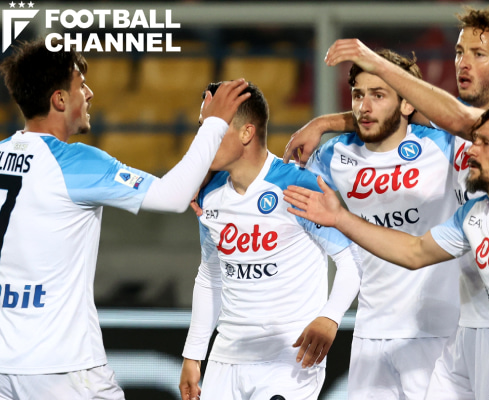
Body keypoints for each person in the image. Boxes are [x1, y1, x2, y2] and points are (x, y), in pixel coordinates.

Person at [284, 7, 489, 399]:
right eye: (459, 52)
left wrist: (374, 61)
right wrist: (325, 123)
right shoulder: (451, 131)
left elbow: (459, 118)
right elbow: (395, 113)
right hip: (468, 324)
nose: (463, 63)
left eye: (478, 54)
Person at [284, 102, 489, 400]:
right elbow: (414, 251)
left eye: (486, 143)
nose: (471, 150)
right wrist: (340, 218)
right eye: (474, 140)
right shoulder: (473, 215)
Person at [0, 39, 250, 400]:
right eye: (80, 85)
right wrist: (213, 124)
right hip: (61, 367)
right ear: (60, 100)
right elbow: (172, 196)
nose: (89, 93)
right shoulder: (76, 163)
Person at [178, 82, 361, 400]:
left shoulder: (297, 186)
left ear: (246, 133)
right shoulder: (207, 194)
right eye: (201, 128)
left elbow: (351, 261)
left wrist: (330, 317)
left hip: (289, 360)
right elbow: (210, 275)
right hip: (225, 361)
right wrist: (193, 355)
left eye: (212, 128)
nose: (201, 140)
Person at [299, 48, 463, 400]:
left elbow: (461, 118)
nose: (364, 107)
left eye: (378, 95)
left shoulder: (444, 146)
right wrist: (208, 186)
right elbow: (285, 194)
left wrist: (324, 121)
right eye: (358, 95)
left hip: (436, 332)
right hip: (370, 330)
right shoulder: (335, 155)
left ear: (408, 103)